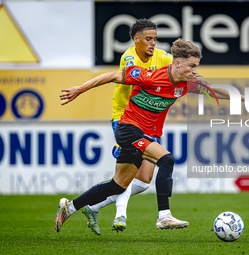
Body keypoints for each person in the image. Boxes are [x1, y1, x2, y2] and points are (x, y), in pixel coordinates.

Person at [55, 38, 249, 234]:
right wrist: (79, 89)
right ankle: (164, 216)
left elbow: (213, 90)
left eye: (196, 66)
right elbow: (112, 76)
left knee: (118, 185)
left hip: (142, 134)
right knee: (166, 159)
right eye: (192, 66)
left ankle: (70, 207)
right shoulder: (150, 76)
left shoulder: (185, 85)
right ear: (177, 63)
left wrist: (246, 99)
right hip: (128, 129)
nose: (195, 71)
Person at [80, 19, 173, 235]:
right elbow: (135, 79)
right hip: (125, 118)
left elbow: (178, 68)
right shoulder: (129, 56)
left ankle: (93, 206)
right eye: (148, 39)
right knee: (135, 166)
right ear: (136, 39)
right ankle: (121, 214)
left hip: (147, 121)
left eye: (155, 39)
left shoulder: (164, 57)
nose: (152, 43)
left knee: (143, 180)